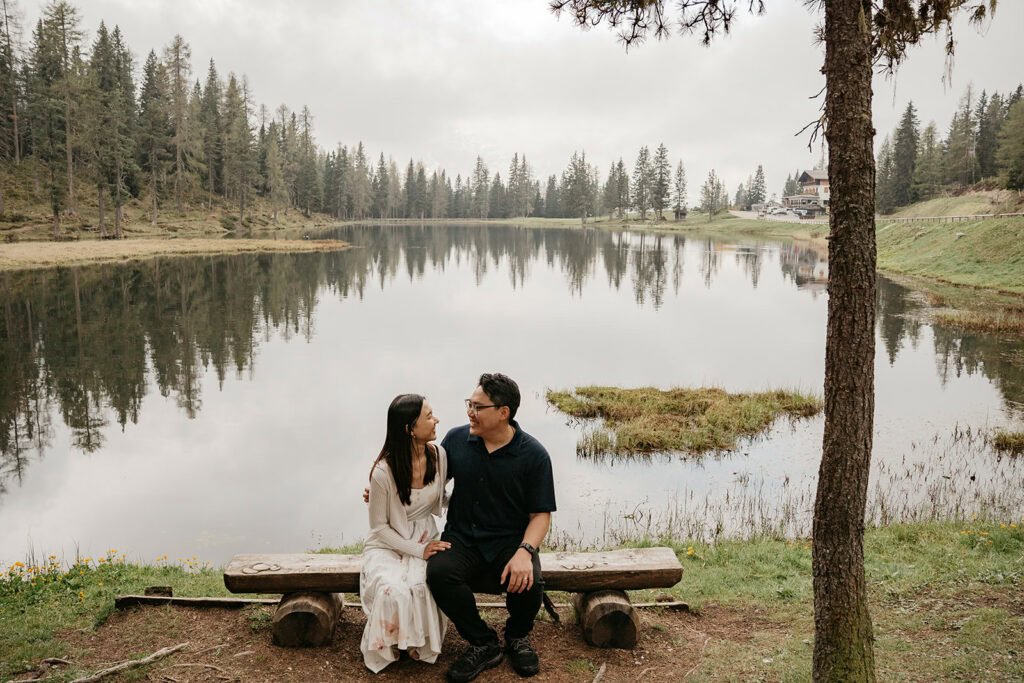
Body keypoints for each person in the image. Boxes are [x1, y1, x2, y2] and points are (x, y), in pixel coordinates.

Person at [426, 373, 556, 682]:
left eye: (477, 406)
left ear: (503, 412)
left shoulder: (534, 455)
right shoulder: (455, 440)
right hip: (462, 539)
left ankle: (516, 637)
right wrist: (386, 489)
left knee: (531, 582)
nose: (470, 412)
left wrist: (525, 552)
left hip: (509, 543)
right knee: (439, 573)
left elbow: (541, 515)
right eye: (469, 404)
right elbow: (428, 484)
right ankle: (483, 642)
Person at [360, 394, 450, 673]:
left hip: (426, 534)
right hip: (388, 543)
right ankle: (388, 645)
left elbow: (438, 498)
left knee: (423, 585)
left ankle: (417, 644)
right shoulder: (383, 472)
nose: (436, 420)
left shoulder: (439, 455)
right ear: (410, 428)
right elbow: (379, 528)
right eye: (429, 416)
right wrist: (417, 550)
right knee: (392, 589)